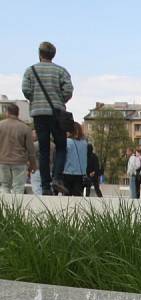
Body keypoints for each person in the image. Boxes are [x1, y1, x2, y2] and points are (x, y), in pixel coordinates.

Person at [21, 41, 74, 196]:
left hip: (38, 113)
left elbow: (26, 89)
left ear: (39, 53)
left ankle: (45, 186)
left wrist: (36, 99)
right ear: (53, 55)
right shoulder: (61, 71)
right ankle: (57, 178)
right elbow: (69, 90)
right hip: (57, 113)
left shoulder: (30, 71)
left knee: (43, 150)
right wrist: (59, 100)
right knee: (61, 146)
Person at [0, 103, 37, 194]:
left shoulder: (1, 125)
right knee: (18, 187)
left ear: (7, 113)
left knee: (5, 185)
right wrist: (33, 164)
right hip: (20, 162)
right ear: (18, 113)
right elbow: (30, 149)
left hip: (3, 160)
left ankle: (4, 206)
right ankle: (17, 207)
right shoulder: (25, 128)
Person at [63, 123, 88, 197]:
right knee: (78, 197)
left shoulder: (67, 142)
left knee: (67, 197)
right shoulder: (84, 143)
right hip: (80, 174)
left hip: (67, 172)